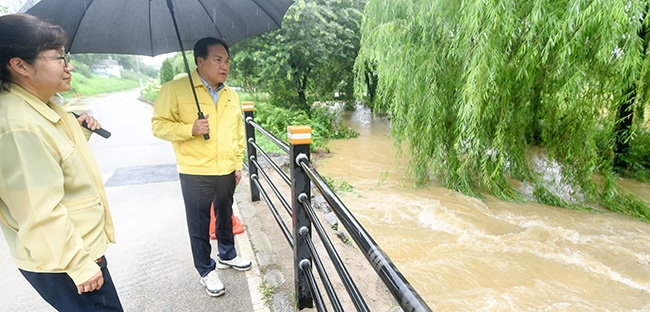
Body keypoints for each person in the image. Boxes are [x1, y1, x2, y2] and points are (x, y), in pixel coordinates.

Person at [0, 14, 123, 311]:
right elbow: (38, 209)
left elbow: (53, 163)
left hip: (74, 251)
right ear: (20, 65)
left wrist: (77, 130)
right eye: (58, 57)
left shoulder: (39, 106)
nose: (69, 66)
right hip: (68, 259)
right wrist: (78, 265)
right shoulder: (19, 126)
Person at [151, 37, 251, 297]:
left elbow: (237, 133)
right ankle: (206, 270)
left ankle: (228, 254)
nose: (224, 66)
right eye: (217, 60)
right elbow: (158, 125)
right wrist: (189, 129)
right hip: (195, 170)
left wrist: (237, 163)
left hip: (226, 169)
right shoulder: (175, 89)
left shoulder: (231, 95)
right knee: (199, 223)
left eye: (227, 61)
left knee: (225, 214)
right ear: (200, 61)